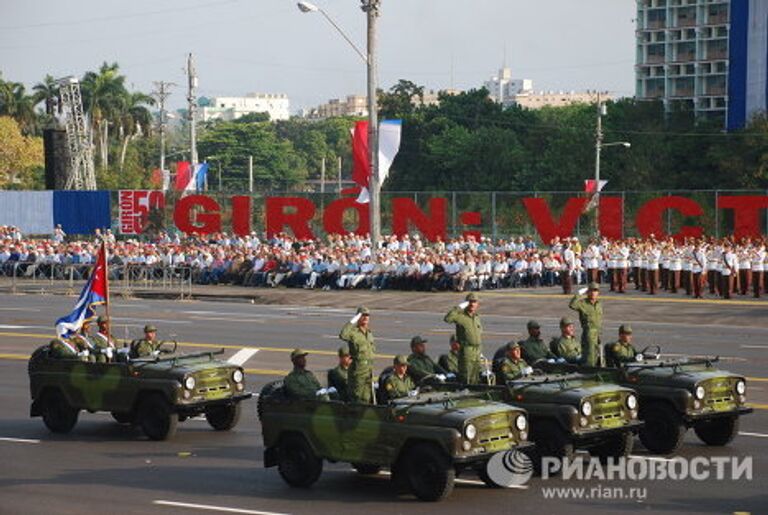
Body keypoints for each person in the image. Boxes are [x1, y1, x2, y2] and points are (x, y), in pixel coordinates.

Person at [444, 293, 483, 384]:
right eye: (470, 302)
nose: (472, 304)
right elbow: (447, 319)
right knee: (467, 377)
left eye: (474, 302)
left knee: (476, 376)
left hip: (477, 350)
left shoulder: (476, 317)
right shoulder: (460, 316)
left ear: (477, 304)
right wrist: (459, 307)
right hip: (467, 350)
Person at [339, 306, 376, 403]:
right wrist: (353, 320)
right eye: (363, 315)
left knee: (367, 398)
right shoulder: (353, 332)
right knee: (357, 398)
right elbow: (343, 334)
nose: (366, 317)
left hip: (368, 372)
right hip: (358, 373)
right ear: (358, 317)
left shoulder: (369, 333)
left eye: (367, 315)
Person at [569, 282, 604, 366]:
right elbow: (572, 305)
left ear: (598, 293)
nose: (593, 293)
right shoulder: (583, 303)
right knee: (589, 355)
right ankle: (589, 372)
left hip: (598, 333)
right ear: (588, 292)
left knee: (597, 353)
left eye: (595, 291)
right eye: (591, 291)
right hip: (588, 332)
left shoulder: (599, 304)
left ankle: (596, 368)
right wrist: (579, 294)